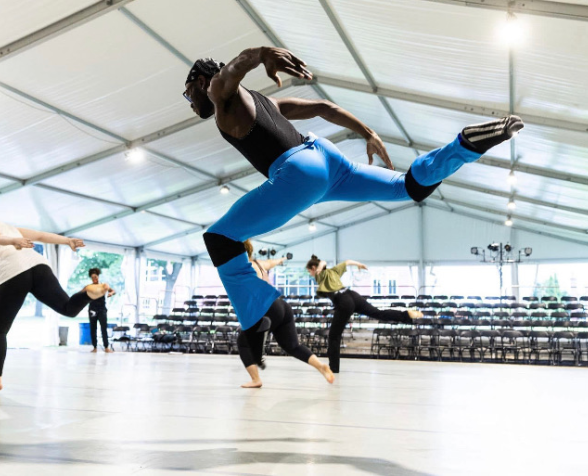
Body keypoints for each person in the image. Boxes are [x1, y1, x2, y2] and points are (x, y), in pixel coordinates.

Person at [184, 47, 523, 367]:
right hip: (328, 158)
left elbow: (233, 68)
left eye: (188, 94)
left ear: (201, 81)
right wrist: (367, 132)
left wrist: (261, 54)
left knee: (220, 237)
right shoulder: (266, 102)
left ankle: (260, 315)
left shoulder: (218, 91)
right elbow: (322, 108)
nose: (190, 102)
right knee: (408, 187)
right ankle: (462, 146)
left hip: (298, 172)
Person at [0, 201, 109, 394]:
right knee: (68, 308)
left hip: (14, 271)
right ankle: (87, 293)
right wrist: (67, 241)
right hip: (39, 266)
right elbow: (40, 236)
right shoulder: (11, 228)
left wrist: (12, 242)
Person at [306, 255, 421, 373]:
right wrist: (358, 264)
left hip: (343, 301)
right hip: (353, 295)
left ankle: (333, 369)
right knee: (378, 313)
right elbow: (347, 261)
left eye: (310, 271)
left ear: (314, 268)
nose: (310, 274)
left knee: (334, 336)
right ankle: (406, 315)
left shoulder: (321, 275)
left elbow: (324, 262)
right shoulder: (334, 271)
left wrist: (320, 268)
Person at [237, 240, 294, 388]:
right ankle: (259, 346)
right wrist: (283, 259)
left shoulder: (243, 268)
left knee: (243, 342)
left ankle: (256, 377)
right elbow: (272, 262)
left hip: (261, 306)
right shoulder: (260, 264)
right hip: (275, 302)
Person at [86, 268, 116, 353]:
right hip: (92, 309)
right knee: (93, 328)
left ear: (98, 277)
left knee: (103, 328)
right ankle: (95, 347)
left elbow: (113, 290)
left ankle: (106, 347)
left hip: (102, 309)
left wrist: (111, 293)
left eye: (95, 277)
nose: (94, 279)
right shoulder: (90, 287)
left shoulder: (103, 285)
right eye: (92, 277)